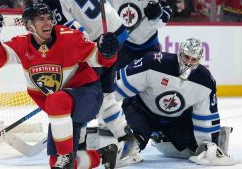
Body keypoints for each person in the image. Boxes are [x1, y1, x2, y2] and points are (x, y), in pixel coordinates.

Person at [0, 2, 120, 169]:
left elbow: (102, 59)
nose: (48, 23)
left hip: (87, 96)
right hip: (60, 111)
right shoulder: (22, 45)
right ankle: (103, 154)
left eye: (49, 18)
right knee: (56, 164)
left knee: (56, 101)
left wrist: (108, 51)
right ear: (29, 25)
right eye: (41, 19)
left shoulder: (70, 37)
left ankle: (65, 156)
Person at [39, 0, 142, 164]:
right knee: (106, 96)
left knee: (79, 94)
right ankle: (128, 140)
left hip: (96, 42)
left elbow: (72, 30)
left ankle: (78, 145)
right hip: (114, 34)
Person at [114, 38, 234, 166]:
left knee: (198, 149)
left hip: (175, 120)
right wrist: (105, 110)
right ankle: (147, 135)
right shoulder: (154, 62)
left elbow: (204, 115)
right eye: (186, 57)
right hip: (141, 111)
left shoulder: (205, 81)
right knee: (129, 146)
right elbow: (120, 85)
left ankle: (164, 137)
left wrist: (208, 142)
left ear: (199, 59)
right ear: (179, 53)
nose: (188, 63)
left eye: (193, 59)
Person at [107, 0, 172, 70]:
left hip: (149, 46)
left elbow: (166, 11)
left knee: (154, 77)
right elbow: (103, 13)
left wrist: (158, 14)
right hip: (122, 47)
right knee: (116, 78)